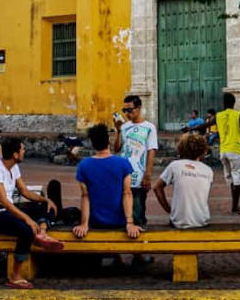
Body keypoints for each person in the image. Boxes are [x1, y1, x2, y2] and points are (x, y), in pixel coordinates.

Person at [0, 136, 65, 289]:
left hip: (9, 210)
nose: (24, 152)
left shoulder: (13, 167)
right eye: (22, 149)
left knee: (47, 208)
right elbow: (3, 202)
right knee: (25, 230)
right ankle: (15, 276)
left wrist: (45, 200)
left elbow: (25, 191)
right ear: (15, 154)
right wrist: (27, 219)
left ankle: (42, 233)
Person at [72, 124, 141, 244]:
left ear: (93, 144)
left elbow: (85, 196)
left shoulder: (84, 165)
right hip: (119, 221)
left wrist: (84, 224)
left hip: (95, 221)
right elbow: (127, 193)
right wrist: (129, 223)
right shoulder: (123, 164)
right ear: (109, 141)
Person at [114, 95, 159, 230]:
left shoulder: (149, 127)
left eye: (130, 110)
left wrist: (148, 175)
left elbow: (151, 151)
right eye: (124, 110)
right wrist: (117, 131)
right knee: (121, 213)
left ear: (139, 108)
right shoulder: (124, 127)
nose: (127, 113)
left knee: (138, 213)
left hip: (139, 177)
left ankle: (138, 249)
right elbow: (116, 149)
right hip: (123, 176)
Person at [154, 133, 214, 228]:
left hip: (178, 222)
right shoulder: (208, 170)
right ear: (203, 150)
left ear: (181, 148)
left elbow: (157, 187)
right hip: (202, 221)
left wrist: (169, 210)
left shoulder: (175, 165)